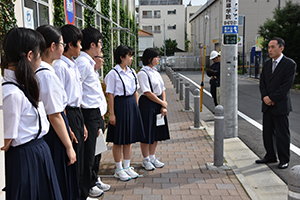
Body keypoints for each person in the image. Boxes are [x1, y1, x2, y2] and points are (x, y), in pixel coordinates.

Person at [1, 27, 62, 200]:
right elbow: (6, 141)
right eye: (39, 55)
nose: (40, 61)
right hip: (25, 157)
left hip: (38, 151)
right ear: (29, 56)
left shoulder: (23, 85)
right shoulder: (11, 92)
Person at [53, 24, 98, 199]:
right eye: (78, 43)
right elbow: (60, 100)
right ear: (70, 45)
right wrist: (69, 126)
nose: (81, 47)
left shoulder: (71, 65)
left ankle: (82, 193)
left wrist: (82, 124)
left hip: (77, 113)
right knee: (73, 160)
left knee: (81, 157)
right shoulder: (60, 67)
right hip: (68, 113)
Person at [35, 25, 79, 200]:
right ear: (52, 46)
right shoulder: (47, 75)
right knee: (61, 179)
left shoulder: (43, 71)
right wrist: (69, 147)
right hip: (54, 133)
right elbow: (54, 115)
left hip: (57, 129)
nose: (64, 47)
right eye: (62, 43)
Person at [76, 26, 111, 198]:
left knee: (97, 151)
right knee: (89, 154)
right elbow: (78, 90)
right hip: (88, 114)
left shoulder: (90, 63)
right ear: (92, 44)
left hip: (96, 113)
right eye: (99, 44)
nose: (101, 47)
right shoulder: (82, 63)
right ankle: (87, 186)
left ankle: (94, 179)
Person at [104, 45, 145, 181]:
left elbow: (135, 92)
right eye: (130, 56)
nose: (132, 58)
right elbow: (110, 95)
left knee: (129, 139)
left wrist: (136, 108)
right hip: (120, 105)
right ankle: (119, 168)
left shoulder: (132, 72)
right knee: (118, 140)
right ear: (121, 57)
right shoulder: (113, 74)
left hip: (131, 105)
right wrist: (112, 114)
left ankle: (127, 166)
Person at [256, 37, 296, 169]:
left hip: (280, 105)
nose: (270, 50)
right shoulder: (267, 64)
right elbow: (263, 83)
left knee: (282, 133)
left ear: (281, 48)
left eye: (273, 47)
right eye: (269, 47)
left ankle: (284, 159)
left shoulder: (289, 64)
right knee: (267, 132)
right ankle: (270, 155)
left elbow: (286, 86)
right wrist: (265, 97)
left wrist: (272, 98)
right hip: (267, 104)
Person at [137, 48, 170, 171]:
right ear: (149, 59)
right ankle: (145, 159)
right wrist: (162, 102)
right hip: (148, 103)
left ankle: (152, 157)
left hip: (158, 102)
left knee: (156, 132)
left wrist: (163, 104)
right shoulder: (142, 73)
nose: (158, 59)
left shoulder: (156, 72)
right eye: (156, 57)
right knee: (146, 132)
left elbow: (162, 89)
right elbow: (147, 91)